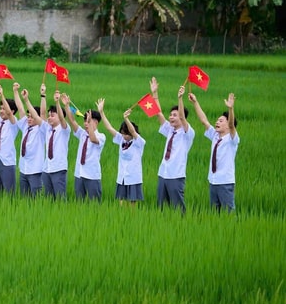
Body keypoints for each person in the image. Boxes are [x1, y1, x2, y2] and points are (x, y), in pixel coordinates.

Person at [150, 77, 195, 213]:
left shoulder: (187, 133)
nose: (171, 117)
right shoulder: (170, 130)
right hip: (163, 173)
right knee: (162, 208)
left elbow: (182, 117)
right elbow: (158, 113)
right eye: (170, 115)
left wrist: (180, 98)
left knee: (178, 208)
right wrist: (155, 93)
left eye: (174, 115)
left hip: (176, 176)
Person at [190, 91, 239, 213]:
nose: (217, 122)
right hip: (213, 180)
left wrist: (230, 109)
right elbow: (204, 121)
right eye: (217, 120)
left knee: (228, 213)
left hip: (225, 182)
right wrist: (195, 102)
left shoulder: (232, 139)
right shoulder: (215, 136)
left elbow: (232, 126)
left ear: (228, 125)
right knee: (214, 213)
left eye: (221, 121)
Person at [97, 101, 145, 206]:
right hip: (122, 176)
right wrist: (101, 112)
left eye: (126, 134)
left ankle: (132, 218)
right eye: (122, 133)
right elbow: (109, 128)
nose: (124, 136)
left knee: (132, 201)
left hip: (133, 177)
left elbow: (133, 132)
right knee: (121, 201)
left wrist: (126, 119)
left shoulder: (138, 142)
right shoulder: (121, 140)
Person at [63, 94, 105, 201]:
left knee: (94, 204)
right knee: (79, 203)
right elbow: (72, 121)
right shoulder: (82, 134)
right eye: (85, 121)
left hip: (92, 175)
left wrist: (90, 124)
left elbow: (93, 139)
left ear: (96, 122)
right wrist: (67, 105)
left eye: (89, 121)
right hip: (79, 173)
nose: (86, 124)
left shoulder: (101, 136)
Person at [13, 83, 47, 197]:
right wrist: (16, 92)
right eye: (29, 116)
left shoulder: (42, 129)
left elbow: (42, 114)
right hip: (23, 169)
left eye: (32, 116)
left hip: (35, 171)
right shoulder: (25, 126)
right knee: (24, 199)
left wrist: (30, 99)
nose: (29, 118)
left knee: (36, 200)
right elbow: (21, 109)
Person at [40, 90, 70, 200]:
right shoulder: (48, 129)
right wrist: (43, 95)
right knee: (49, 200)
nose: (49, 117)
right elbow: (42, 114)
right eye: (49, 116)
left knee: (60, 199)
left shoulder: (64, 130)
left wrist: (57, 102)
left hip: (58, 169)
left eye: (52, 115)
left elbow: (62, 118)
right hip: (47, 168)